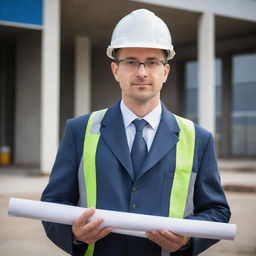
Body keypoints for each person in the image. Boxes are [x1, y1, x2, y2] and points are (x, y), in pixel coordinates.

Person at [41, 9, 231, 256]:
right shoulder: (80, 130)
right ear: (115, 70)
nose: (142, 72)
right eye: (131, 62)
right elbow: (52, 204)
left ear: (165, 71)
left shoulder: (198, 138)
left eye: (152, 62)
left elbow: (217, 210)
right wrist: (74, 235)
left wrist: (187, 241)